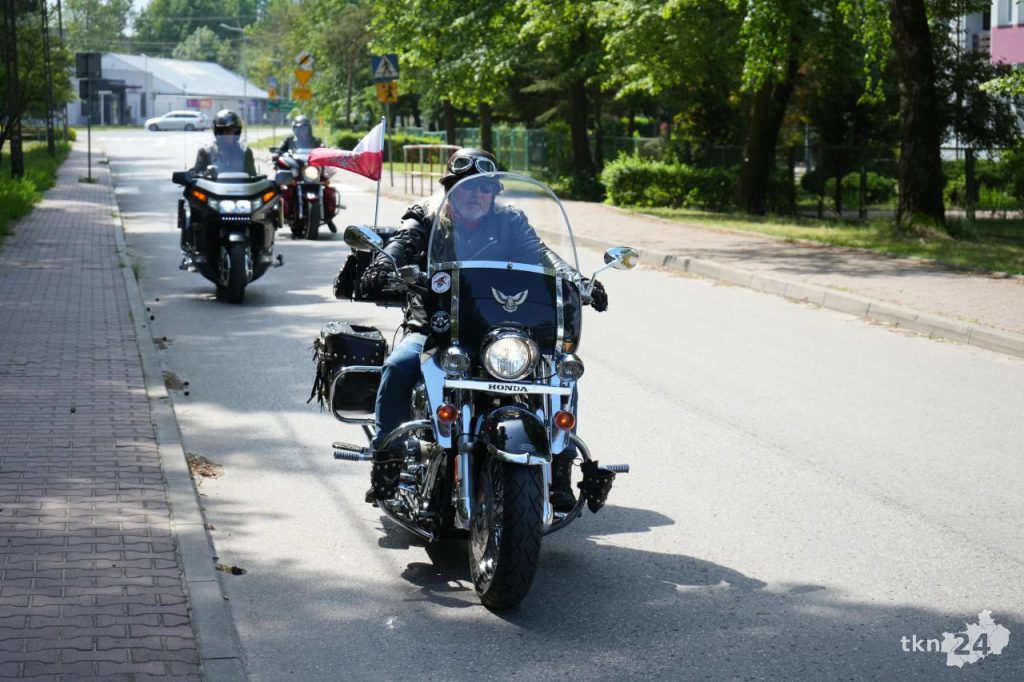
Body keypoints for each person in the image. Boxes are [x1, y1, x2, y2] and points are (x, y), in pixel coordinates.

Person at [359, 148, 608, 506]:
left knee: (560, 373)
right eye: (467, 187)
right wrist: (383, 263)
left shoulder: (510, 221)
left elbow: (542, 254)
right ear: (450, 189)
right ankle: (387, 464)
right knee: (399, 366)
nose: (475, 194)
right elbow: (403, 243)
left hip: (500, 331)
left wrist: (577, 281)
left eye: (484, 188)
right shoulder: (425, 216)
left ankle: (560, 469)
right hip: (436, 329)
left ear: (493, 194)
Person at [191, 109, 256, 177]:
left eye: (234, 131)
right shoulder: (205, 152)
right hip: (214, 184)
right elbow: (196, 176)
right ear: (217, 132)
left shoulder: (245, 152)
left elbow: (252, 177)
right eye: (226, 131)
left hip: (239, 184)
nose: (230, 135)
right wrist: (204, 173)